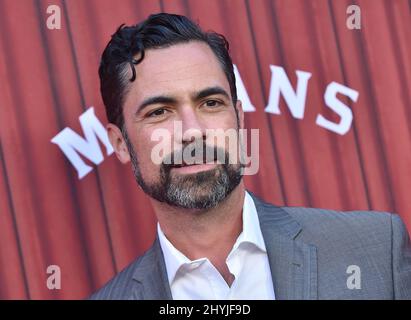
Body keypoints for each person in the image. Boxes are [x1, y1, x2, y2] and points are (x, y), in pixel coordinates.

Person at [90, 13, 411, 300]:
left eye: (211, 103)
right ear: (120, 143)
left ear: (239, 118)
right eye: (160, 111)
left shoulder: (375, 249)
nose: (193, 131)